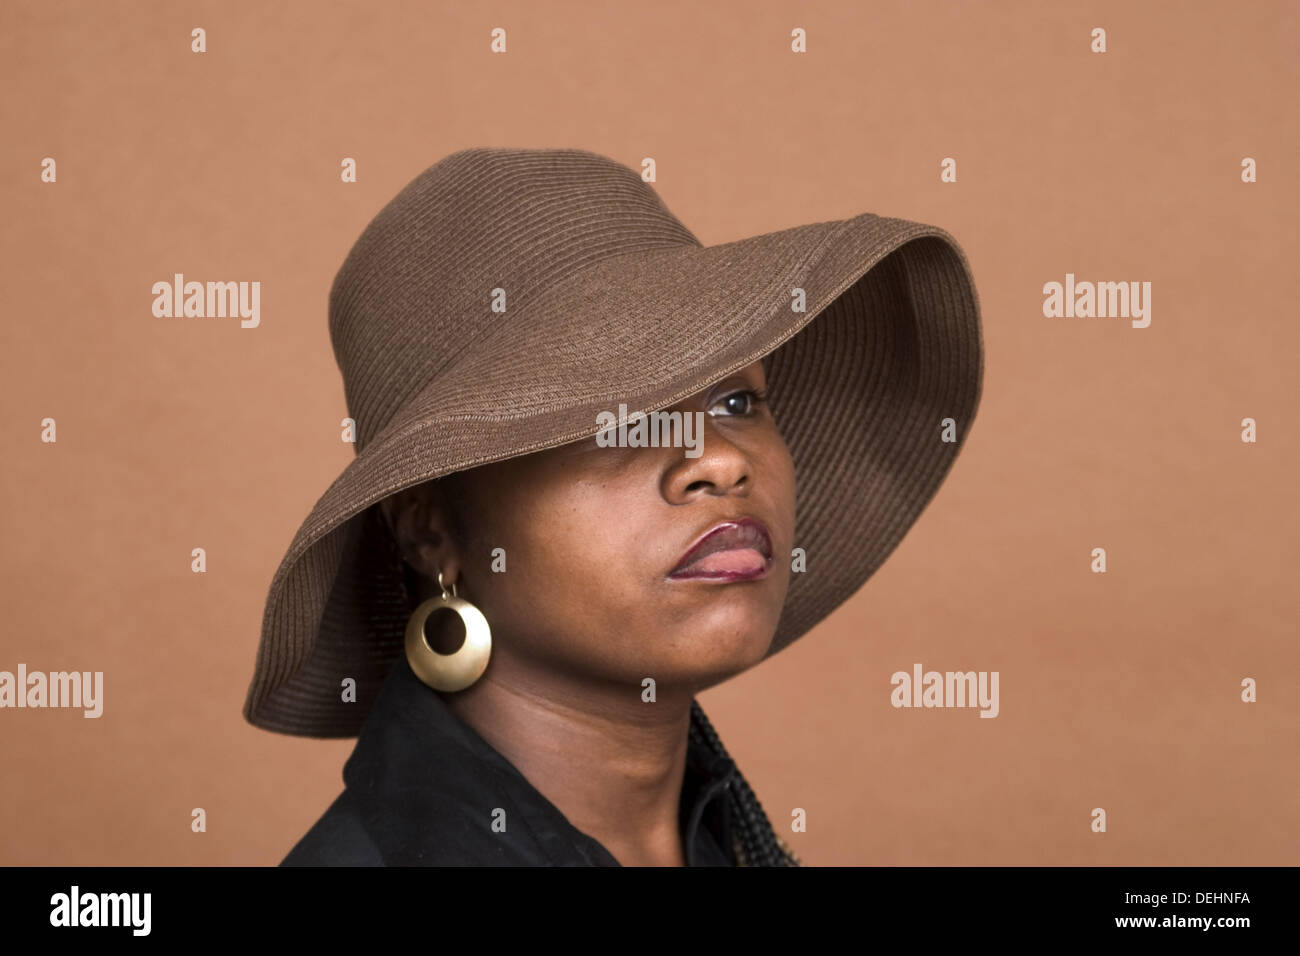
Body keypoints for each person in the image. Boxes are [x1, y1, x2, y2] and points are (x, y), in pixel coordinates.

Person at [243, 146, 985, 866]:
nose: (722, 460)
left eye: (737, 400)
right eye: (623, 421)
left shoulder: (727, 838)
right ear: (431, 529)